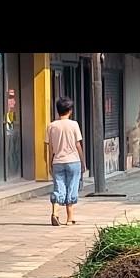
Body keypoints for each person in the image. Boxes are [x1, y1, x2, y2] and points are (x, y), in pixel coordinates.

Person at [45, 97, 86, 226]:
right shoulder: (74, 125)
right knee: (72, 187)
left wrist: (48, 163)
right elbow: (78, 144)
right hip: (73, 160)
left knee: (59, 187)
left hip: (57, 161)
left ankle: (55, 213)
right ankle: (70, 218)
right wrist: (82, 161)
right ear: (70, 110)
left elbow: (49, 147)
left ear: (58, 111)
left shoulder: (51, 126)